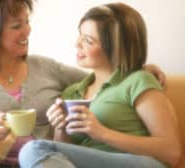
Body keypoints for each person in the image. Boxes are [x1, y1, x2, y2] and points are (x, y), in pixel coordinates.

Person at [0, 0, 167, 167]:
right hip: (6, 163)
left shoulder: (46, 67)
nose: (27, 31)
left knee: (37, 151)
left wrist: (140, 68)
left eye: (27, 22)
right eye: (17, 26)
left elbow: (102, 79)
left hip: (51, 161)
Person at [19, 2, 182, 168]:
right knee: (34, 152)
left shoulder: (138, 81)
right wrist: (60, 128)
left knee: (33, 149)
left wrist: (103, 134)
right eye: (80, 36)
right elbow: (62, 157)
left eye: (88, 41)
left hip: (140, 163)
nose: (77, 44)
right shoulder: (73, 93)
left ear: (116, 48)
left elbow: (171, 152)